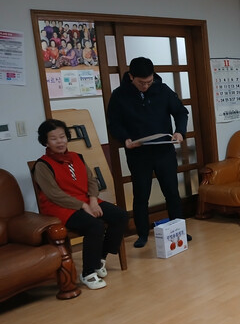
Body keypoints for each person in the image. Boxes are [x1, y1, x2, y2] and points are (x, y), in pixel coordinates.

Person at [34, 119, 128, 290]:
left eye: (62, 136)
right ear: (45, 142)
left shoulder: (77, 156)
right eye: (53, 138)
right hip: (60, 207)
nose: (59, 141)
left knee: (120, 215)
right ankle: (88, 273)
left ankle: (100, 258)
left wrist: (93, 200)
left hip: (85, 200)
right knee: (95, 225)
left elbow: (91, 181)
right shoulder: (42, 165)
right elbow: (54, 194)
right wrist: (84, 206)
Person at [107, 57, 189, 248]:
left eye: (149, 82)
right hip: (138, 153)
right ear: (131, 77)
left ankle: (179, 231)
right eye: (141, 82)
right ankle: (142, 234)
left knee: (172, 192)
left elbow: (180, 112)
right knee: (141, 195)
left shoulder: (163, 90)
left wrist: (179, 131)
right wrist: (125, 139)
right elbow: (114, 122)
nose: (145, 86)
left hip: (164, 150)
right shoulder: (119, 95)